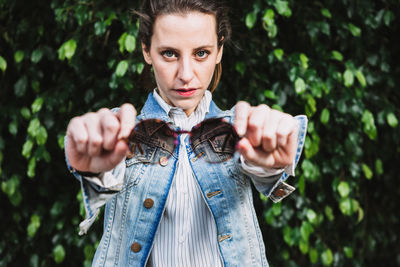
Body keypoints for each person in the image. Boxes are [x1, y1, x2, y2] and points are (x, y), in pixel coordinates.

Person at [65, 0, 307, 266]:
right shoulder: (121, 134)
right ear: (146, 50)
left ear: (219, 50)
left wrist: (268, 161)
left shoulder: (241, 130)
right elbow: (103, 170)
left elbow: (262, 167)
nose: (186, 75)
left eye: (201, 53)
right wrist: (92, 164)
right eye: (169, 53)